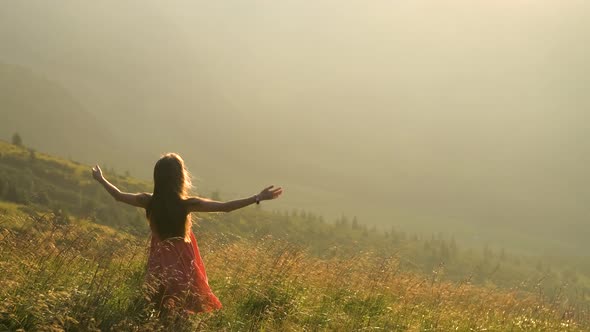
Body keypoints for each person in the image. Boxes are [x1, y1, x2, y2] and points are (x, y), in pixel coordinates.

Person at [91, 153, 283, 313]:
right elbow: (226, 207)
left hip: (159, 261)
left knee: (158, 305)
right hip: (183, 262)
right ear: (179, 178)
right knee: (181, 307)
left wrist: (101, 179)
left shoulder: (148, 201)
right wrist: (258, 197)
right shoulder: (186, 205)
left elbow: (118, 196)